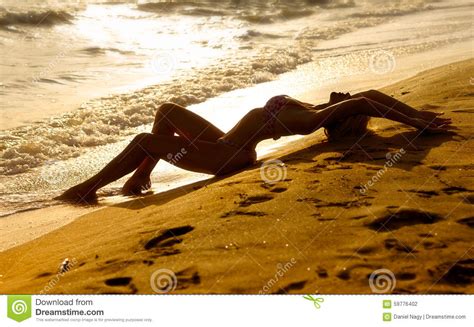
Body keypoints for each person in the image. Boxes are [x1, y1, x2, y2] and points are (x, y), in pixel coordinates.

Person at [57, 90, 453, 203]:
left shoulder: (311, 118)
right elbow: (369, 95)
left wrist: (416, 123)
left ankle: (87, 190)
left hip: (229, 157)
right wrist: (417, 111)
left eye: (343, 104)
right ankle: (139, 178)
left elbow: (364, 102)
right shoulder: (315, 107)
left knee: (145, 139)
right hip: (227, 142)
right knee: (167, 110)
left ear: (342, 118)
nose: (345, 94)